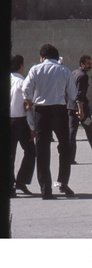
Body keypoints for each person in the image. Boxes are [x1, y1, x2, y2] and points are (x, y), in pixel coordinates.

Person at [22, 43, 77, 199]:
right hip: (59, 110)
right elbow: (72, 95)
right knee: (65, 147)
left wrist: (29, 101)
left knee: (42, 150)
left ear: (43, 57)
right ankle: (62, 182)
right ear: (56, 56)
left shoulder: (35, 69)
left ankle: (45, 189)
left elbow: (26, 89)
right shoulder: (64, 70)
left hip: (41, 111)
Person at [67, 55, 92, 163]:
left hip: (71, 107)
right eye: (88, 63)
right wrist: (81, 110)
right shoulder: (83, 76)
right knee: (89, 130)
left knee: (72, 133)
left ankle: (70, 157)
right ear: (82, 64)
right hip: (82, 110)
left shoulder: (74, 73)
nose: (90, 66)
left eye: (91, 63)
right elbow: (80, 94)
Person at [10, 54, 36, 197]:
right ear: (21, 66)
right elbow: (28, 106)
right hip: (20, 121)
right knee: (31, 150)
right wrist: (32, 127)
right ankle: (21, 180)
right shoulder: (22, 82)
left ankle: (9, 186)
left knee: (9, 155)